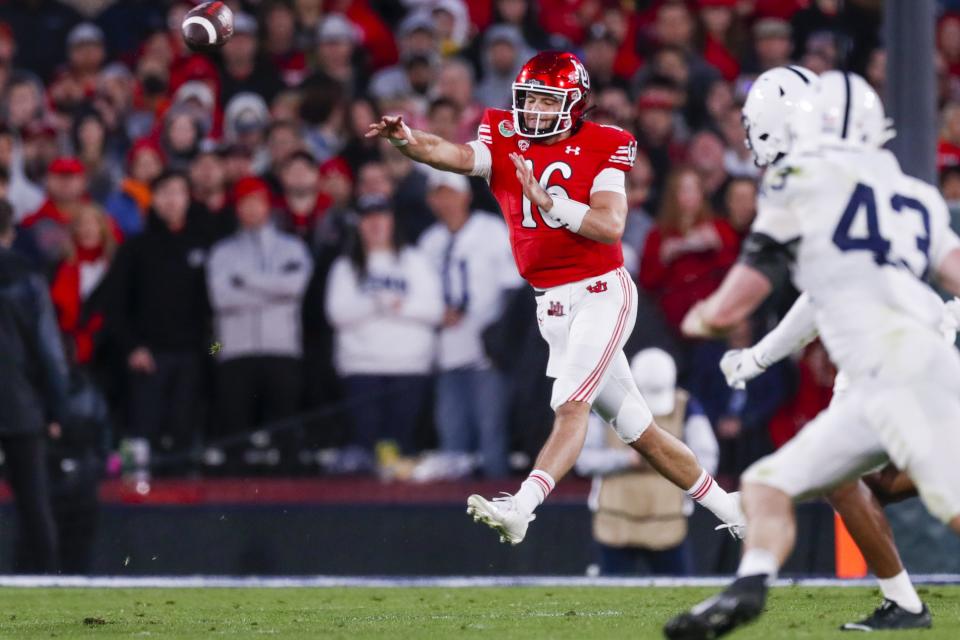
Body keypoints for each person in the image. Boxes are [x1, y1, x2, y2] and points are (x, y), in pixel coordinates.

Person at [367, 51, 743, 545]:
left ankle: (522, 506)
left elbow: (610, 225)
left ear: (574, 106)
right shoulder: (505, 137)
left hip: (601, 293)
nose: (534, 112)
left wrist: (553, 204)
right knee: (641, 433)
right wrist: (410, 143)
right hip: (552, 305)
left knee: (570, 405)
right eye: (530, 100)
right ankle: (733, 508)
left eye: (547, 101)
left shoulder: (606, 145)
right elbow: (455, 155)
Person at [666, 69, 960, 637]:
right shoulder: (917, 195)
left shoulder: (798, 182)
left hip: (901, 367)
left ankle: (897, 598)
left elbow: (741, 298)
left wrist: (708, 317)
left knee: (945, 503)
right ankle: (749, 586)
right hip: (888, 372)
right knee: (767, 483)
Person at [415, 167, 522, 480]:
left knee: (492, 433)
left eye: (450, 193)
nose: (445, 201)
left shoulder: (491, 231)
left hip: (486, 354)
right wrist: (437, 313)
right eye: (438, 195)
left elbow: (512, 291)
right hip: (446, 353)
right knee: (451, 435)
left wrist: (499, 339)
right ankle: (452, 519)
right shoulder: (429, 241)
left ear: (466, 195)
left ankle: (500, 511)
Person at [105, 170, 211, 484]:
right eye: (164, 192)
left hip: (191, 358)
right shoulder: (135, 249)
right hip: (147, 357)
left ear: (188, 198)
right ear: (154, 199)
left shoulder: (203, 245)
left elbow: (213, 315)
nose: (171, 199)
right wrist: (132, 348)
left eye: (178, 191)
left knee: (184, 432)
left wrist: (212, 351)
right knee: (141, 433)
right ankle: (133, 506)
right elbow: (116, 307)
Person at [325, 194, 443, 472]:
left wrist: (397, 305)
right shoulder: (345, 266)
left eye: (382, 216)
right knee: (366, 451)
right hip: (361, 368)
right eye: (368, 218)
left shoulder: (415, 261)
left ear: (392, 221)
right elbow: (337, 313)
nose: (375, 224)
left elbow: (434, 309)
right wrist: (375, 303)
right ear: (360, 225)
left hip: (410, 367)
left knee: (404, 449)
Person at [576, 348, 718, 575]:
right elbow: (583, 459)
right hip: (615, 524)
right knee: (608, 598)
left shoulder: (687, 407)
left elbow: (707, 461)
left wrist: (668, 461)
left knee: (679, 595)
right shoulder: (603, 402)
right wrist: (625, 460)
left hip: (667, 526)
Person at [206, 176, 313, 468]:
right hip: (231, 350)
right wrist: (273, 292)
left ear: (268, 205)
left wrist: (245, 281)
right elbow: (221, 300)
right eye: (245, 202)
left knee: (285, 430)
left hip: (282, 350)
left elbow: (295, 288)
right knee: (234, 431)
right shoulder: (222, 252)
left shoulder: (292, 247)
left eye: (257, 201)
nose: (251, 209)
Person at [0, 198, 64, 573]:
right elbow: (49, 351)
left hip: (19, 399)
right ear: (11, 231)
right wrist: (56, 407)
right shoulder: (28, 277)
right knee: (35, 507)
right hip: (21, 403)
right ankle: (46, 594)